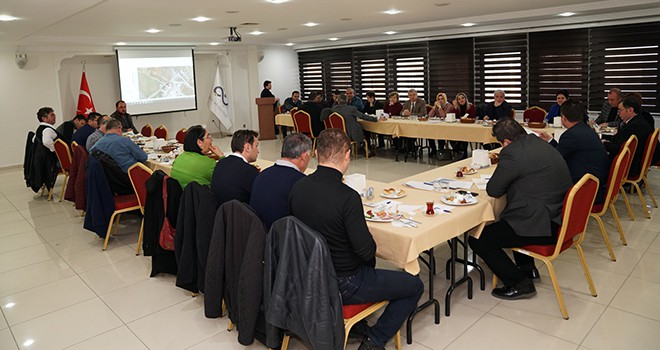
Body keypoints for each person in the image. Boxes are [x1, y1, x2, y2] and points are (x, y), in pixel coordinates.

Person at [290, 129, 423, 350]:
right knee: (414, 285)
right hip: (344, 281)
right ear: (347, 155)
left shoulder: (298, 187)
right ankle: (375, 340)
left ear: (315, 153)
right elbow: (366, 252)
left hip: (309, 274)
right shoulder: (347, 197)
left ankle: (359, 327)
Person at [469, 118, 572, 300]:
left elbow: (494, 189)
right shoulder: (538, 142)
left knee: (479, 238)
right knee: (509, 219)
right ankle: (528, 269)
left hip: (542, 224)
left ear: (506, 142)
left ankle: (520, 283)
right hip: (558, 215)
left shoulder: (513, 153)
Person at [539, 100, 610, 203]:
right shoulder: (586, 130)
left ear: (563, 117)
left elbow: (556, 159)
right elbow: (564, 151)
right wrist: (550, 140)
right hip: (596, 180)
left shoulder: (571, 135)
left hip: (586, 187)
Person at [250, 133, 312, 229]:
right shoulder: (301, 182)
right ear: (304, 156)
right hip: (284, 238)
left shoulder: (262, 175)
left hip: (257, 234)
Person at [602, 96, 653, 179]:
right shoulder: (640, 121)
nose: (618, 113)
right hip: (633, 161)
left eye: (620, 110)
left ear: (630, 110)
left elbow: (619, 149)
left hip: (627, 166)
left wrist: (603, 143)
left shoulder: (633, 127)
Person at [211, 129, 260, 205]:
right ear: (247, 147)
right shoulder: (249, 171)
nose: (258, 151)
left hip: (220, 213)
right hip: (241, 214)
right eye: (256, 146)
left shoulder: (220, 163)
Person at [451, 92, 477, 159]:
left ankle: (464, 151)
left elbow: (473, 117)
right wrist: (455, 108)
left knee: (464, 134)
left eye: (462, 98)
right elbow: (454, 117)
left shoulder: (471, 106)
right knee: (450, 132)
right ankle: (456, 148)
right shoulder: (457, 107)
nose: (461, 100)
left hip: (469, 127)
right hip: (458, 127)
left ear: (465, 99)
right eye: (459, 99)